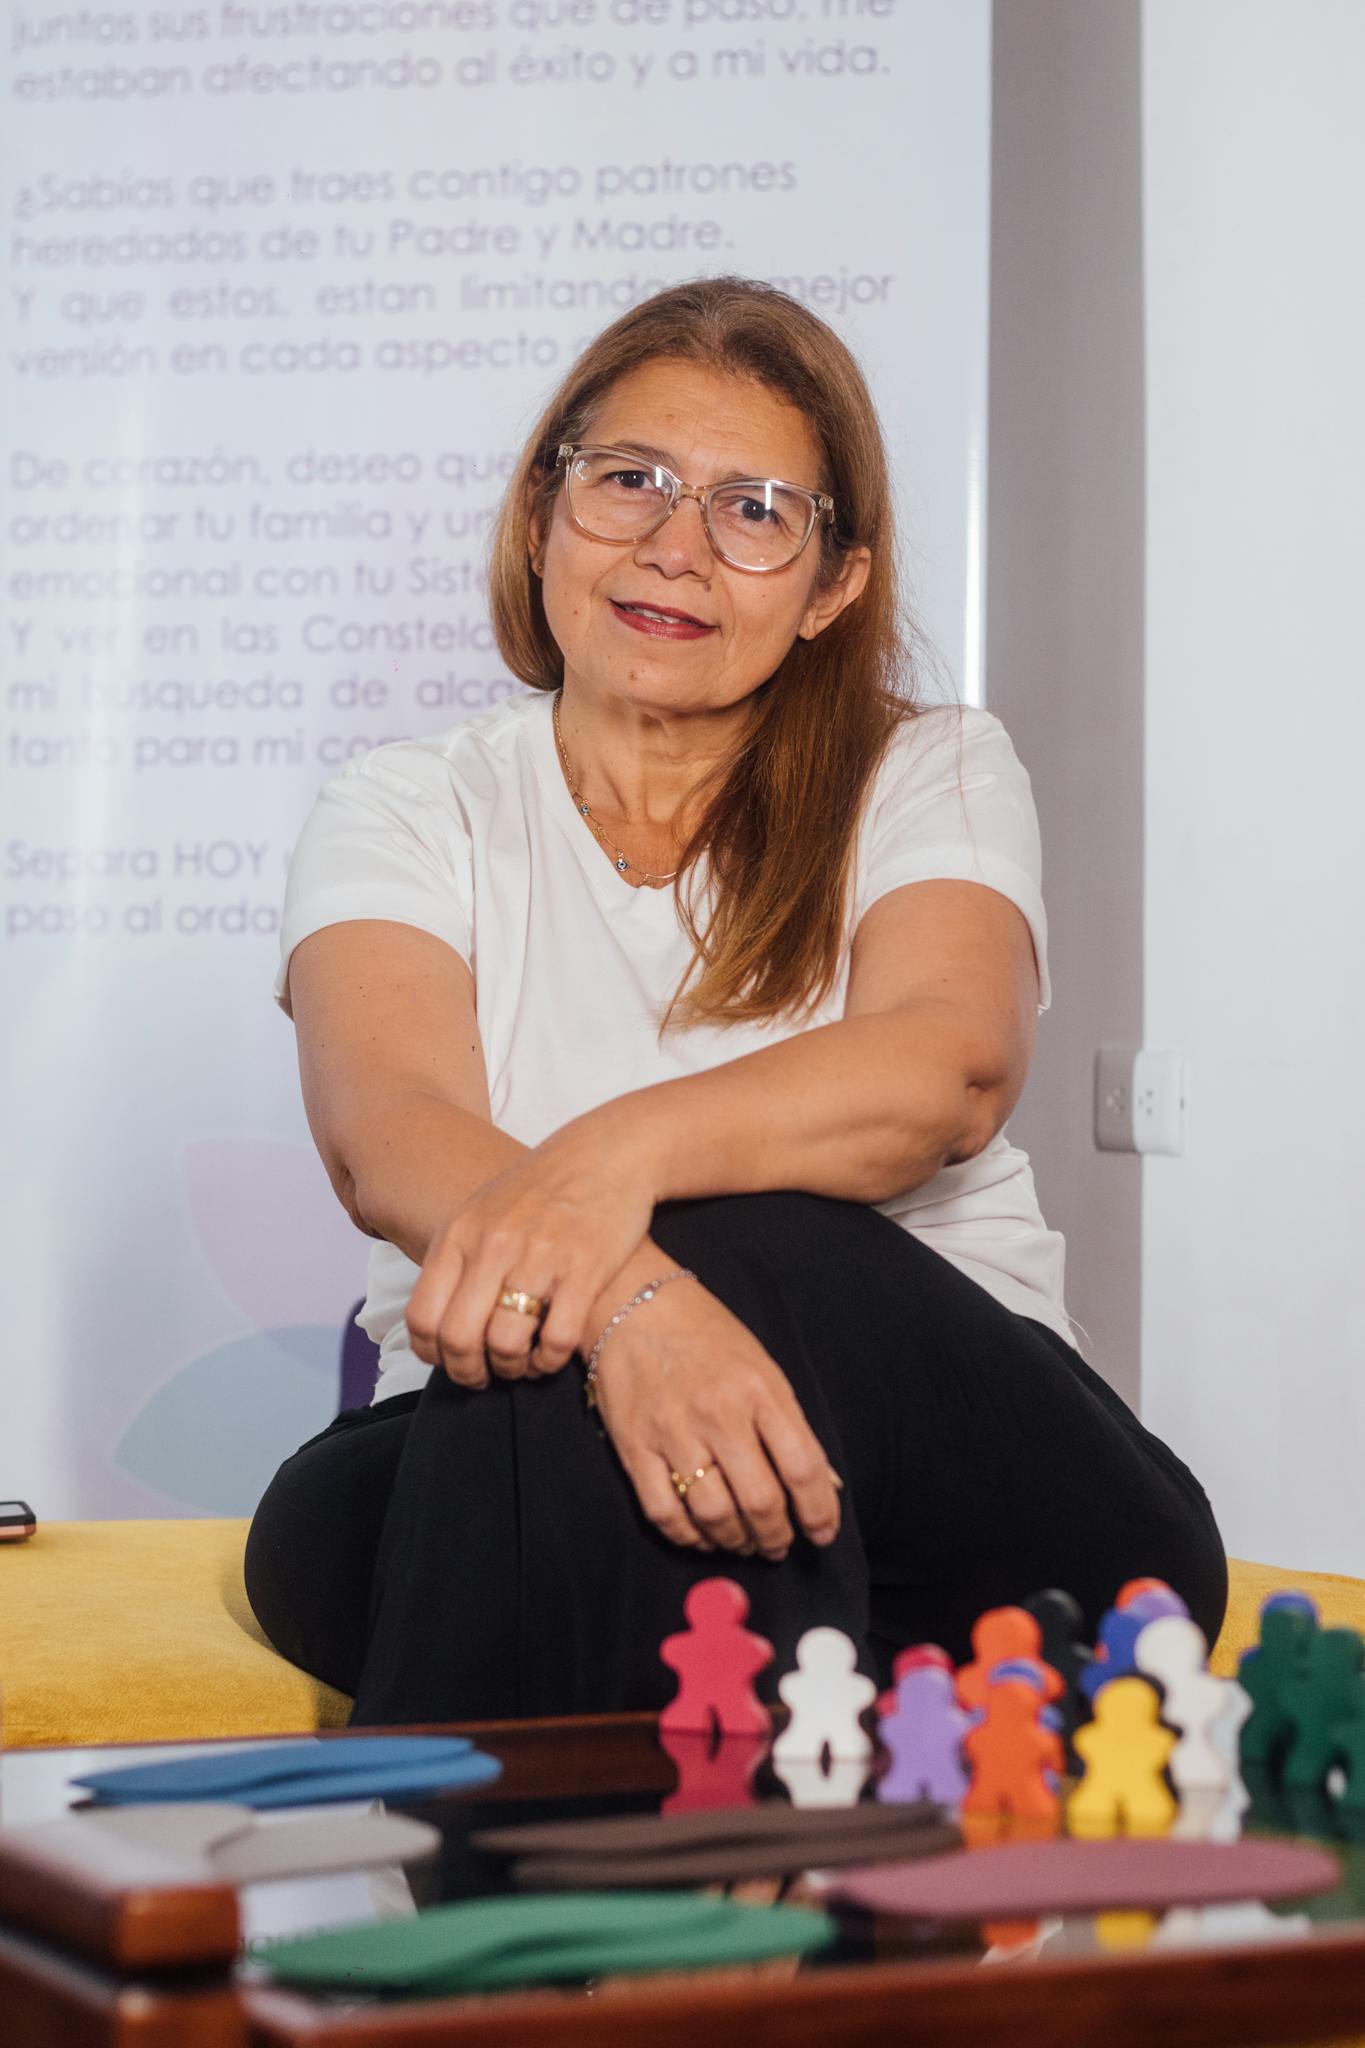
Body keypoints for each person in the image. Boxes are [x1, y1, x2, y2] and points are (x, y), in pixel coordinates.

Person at [244, 277, 1227, 1725]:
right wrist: (635, 1306)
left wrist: (600, 1183)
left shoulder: (929, 770)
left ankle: (534, 1932)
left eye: (753, 509)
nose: (672, 546)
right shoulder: (406, 804)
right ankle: (683, 1928)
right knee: (343, 1520)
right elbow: (387, 1135)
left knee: (762, 1236)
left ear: (833, 585)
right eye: (626, 480)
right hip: (517, 1445)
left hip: (969, 1493)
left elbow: (941, 1078)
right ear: (538, 518)